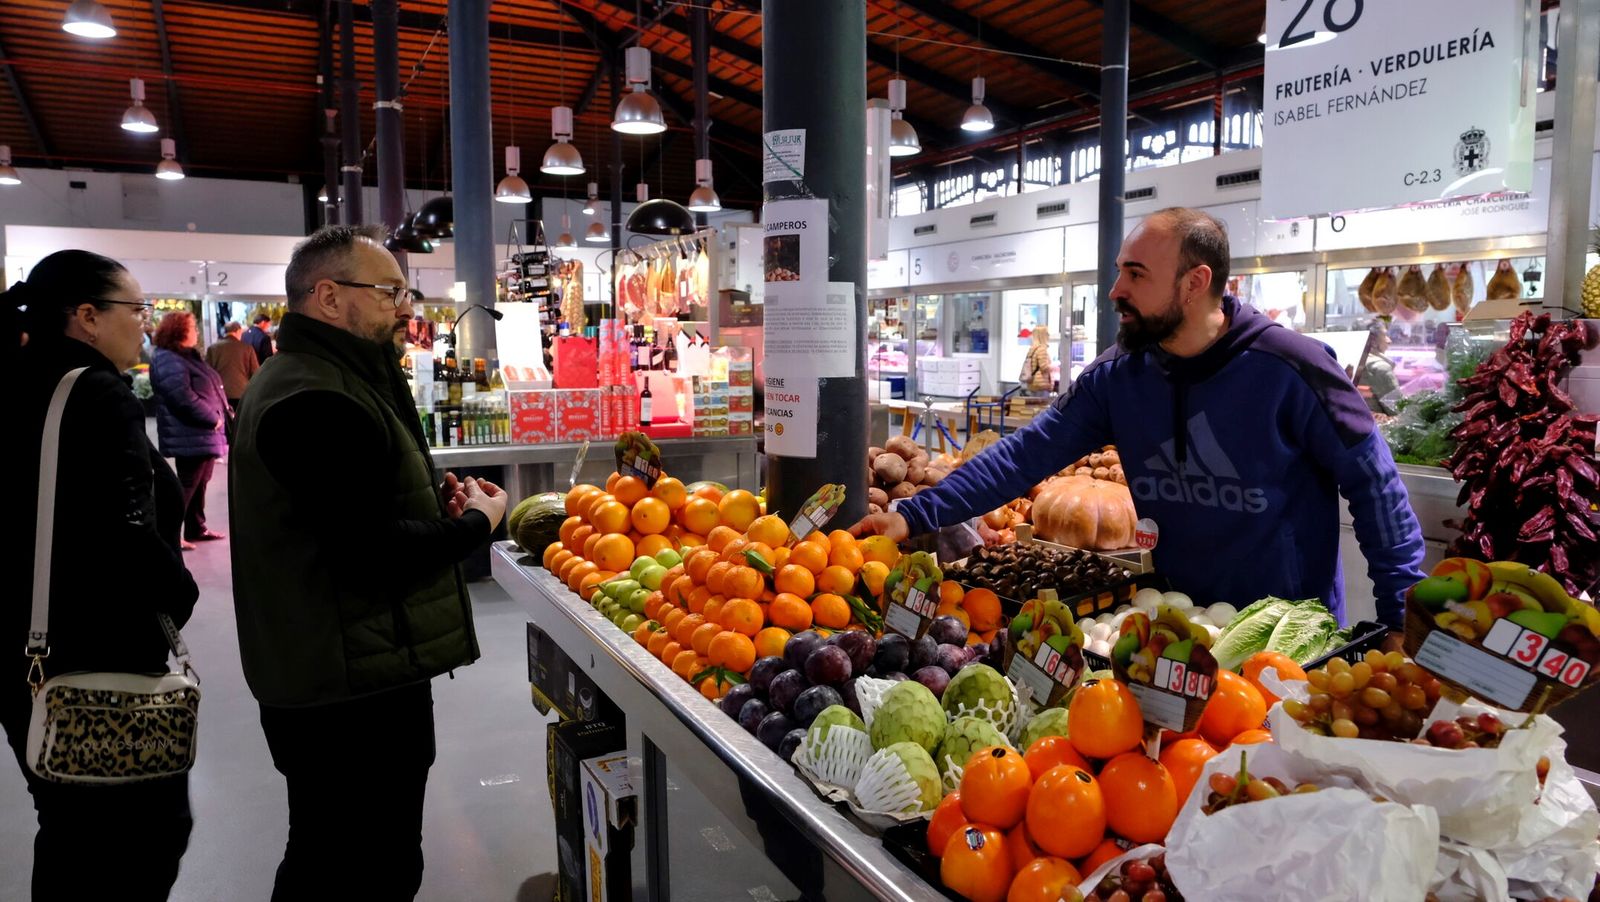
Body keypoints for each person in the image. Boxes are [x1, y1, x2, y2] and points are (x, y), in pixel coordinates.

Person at [853, 208, 1425, 627]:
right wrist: (916, 514)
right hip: (1172, 617)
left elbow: (1376, 489)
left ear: (1195, 282)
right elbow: (1027, 454)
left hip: (1286, 634)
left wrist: (1401, 617)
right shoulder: (1119, 377)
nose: (1114, 291)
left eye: (1135, 275)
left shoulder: (1293, 369)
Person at [228, 224, 506, 901]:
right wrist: (476, 525)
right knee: (361, 864)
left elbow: (348, 517)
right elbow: (369, 553)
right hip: (349, 682)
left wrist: (426, 503)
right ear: (328, 296)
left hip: (339, 664)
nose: (404, 308)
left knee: (334, 851)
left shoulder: (321, 380)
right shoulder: (318, 398)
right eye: (388, 293)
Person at [1, 251, 200, 899]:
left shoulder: (17, 379)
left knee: (66, 825)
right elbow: (129, 532)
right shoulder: (92, 391)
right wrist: (178, 599)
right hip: (97, 649)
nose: (144, 324)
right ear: (87, 317)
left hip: (27, 651)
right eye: (136, 309)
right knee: (138, 835)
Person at [150, 310, 230, 550]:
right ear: (179, 331)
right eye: (192, 328)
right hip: (192, 433)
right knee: (186, 487)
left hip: (200, 435)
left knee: (200, 483)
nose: (196, 332)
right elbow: (181, 396)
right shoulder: (169, 359)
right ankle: (169, 536)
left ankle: (196, 528)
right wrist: (211, 418)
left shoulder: (184, 357)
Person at [204, 320, 260, 413]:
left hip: (220, 394)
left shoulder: (213, 348)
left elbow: (208, 372)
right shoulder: (247, 348)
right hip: (242, 393)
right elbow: (255, 373)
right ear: (238, 331)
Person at [1358, 322, 1401, 416]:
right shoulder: (1380, 368)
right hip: (1377, 427)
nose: (1389, 340)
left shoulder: (1355, 360)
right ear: (1372, 340)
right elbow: (1397, 410)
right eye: (1385, 335)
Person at [1019, 324, 1054, 394]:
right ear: (1043, 335)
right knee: (1043, 404)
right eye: (1047, 334)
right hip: (1041, 384)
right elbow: (1044, 367)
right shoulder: (1042, 349)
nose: (1049, 336)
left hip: (1033, 383)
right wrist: (1055, 367)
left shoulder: (1032, 349)